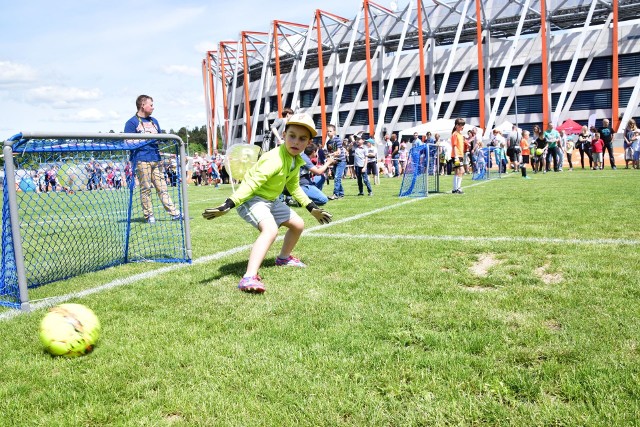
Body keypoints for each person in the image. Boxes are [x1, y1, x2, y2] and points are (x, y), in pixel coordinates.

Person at [202, 113, 333, 294]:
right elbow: (251, 184)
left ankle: (283, 259)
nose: (296, 141)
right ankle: (249, 277)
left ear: (308, 142)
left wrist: (312, 208)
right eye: (292, 136)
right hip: (252, 198)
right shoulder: (274, 159)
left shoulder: (295, 160)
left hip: (271, 200)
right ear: (284, 135)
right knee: (270, 230)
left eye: (302, 139)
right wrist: (228, 204)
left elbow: (294, 187)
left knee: (298, 225)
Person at [124, 94, 181, 224]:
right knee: (145, 188)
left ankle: (174, 213)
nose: (153, 107)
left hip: (156, 158)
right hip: (141, 159)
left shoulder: (154, 121)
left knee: (162, 187)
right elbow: (127, 142)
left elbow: (158, 138)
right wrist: (144, 139)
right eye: (151, 104)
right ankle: (148, 215)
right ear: (143, 105)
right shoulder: (131, 122)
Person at [327, 124, 347, 200]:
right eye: (327, 131)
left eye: (330, 131)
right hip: (335, 162)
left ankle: (335, 194)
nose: (328, 133)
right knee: (337, 178)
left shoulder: (337, 140)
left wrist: (330, 154)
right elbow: (330, 152)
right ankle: (341, 194)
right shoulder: (328, 142)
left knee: (336, 177)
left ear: (334, 132)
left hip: (341, 161)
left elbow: (338, 152)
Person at [451, 118, 466, 194]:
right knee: (462, 171)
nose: (463, 127)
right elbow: (454, 146)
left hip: (460, 155)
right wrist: (456, 156)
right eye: (461, 125)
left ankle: (454, 189)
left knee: (457, 172)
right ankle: (458, 188)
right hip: (457, 156)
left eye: (463, 125)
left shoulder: (460, 134)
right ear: (457, 125)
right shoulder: (455, 134)